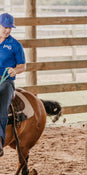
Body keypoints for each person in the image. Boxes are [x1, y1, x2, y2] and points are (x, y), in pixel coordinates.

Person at [0, 13, 26, 157]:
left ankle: (0, 141)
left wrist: (14, 70)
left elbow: (23, 66)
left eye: (10, 28)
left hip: (6, 81)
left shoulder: (15, 45)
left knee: (1, 104)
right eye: (5, 27)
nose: (8, 30)